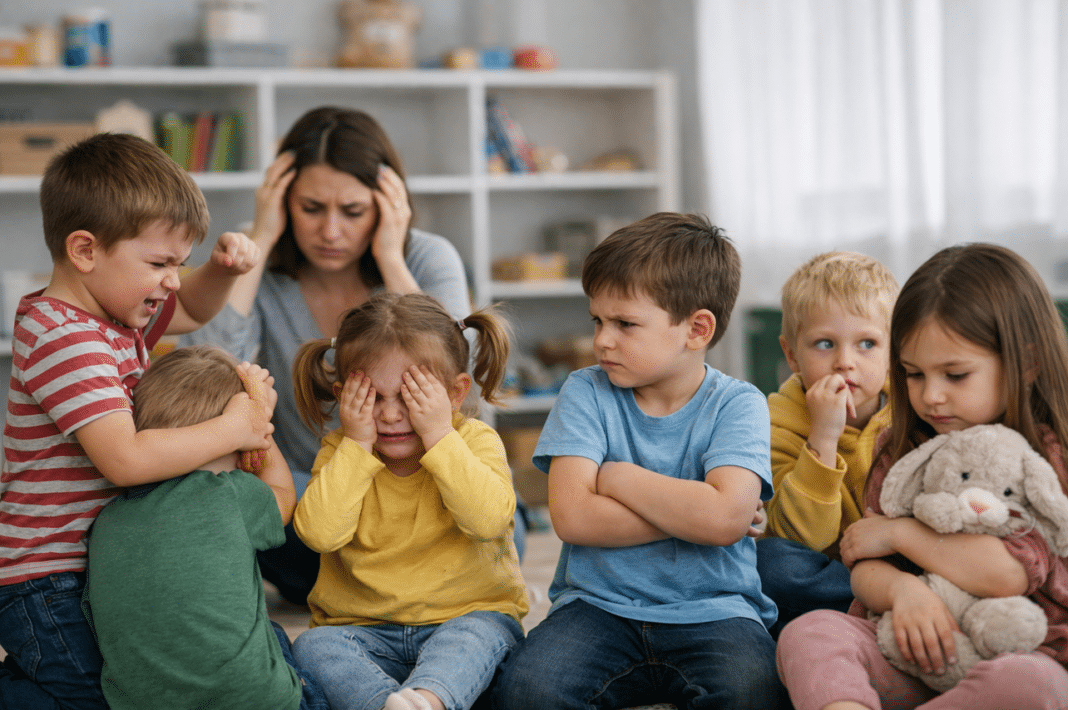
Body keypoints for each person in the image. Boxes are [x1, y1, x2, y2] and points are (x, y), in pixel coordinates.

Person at [180, 106, 528, 606]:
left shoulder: (427, 255)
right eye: (311, 208)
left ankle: (388, 589)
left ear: (387, 206)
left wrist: (390, 258)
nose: (330, 232)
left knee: (501, 530)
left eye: (353, 211)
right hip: (321, 498)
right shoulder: (259, 260)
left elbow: (464, 381)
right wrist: (261, 238)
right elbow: (204, 374)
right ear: (282, 200)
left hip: (428, 496)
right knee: (239, 500)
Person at [0, 133, 272, 708]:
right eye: (160, 263)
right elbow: (124, 460)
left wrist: (220, 270)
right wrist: (236, 428)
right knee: (100, 698)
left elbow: (192, 307)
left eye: (181, 263)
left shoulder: (114, 318)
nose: (173, 279)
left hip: (96, 566)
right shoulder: (66, 337)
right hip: (48, 577)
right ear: (85, 251)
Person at [491, 212, 789, 710]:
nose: (601, 340)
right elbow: (574, 518)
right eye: (598, 320)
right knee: (524, 691)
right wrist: (698, 513)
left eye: (625, 324)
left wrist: (618, 477)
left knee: (756, 693)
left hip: (716, 611)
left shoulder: (740, 404)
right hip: (596, 609)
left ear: (697, 329)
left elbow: (724, 520)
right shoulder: (585, 391)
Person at [776, 242, 1068, 710]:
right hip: (909, 653)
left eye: (955, 375)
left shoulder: (1047, 456)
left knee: (1034, 685)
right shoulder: (902, 444)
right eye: (913, 374)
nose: (930, 396)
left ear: (1027, 364)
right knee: (810, 633)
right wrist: (902, 589)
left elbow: (1007, 574)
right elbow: (864, 562)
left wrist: (900, 533)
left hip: (1021, 656)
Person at [288, 292, 528, 710]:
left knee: (474, 640)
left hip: (466, 616)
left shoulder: (475, 442)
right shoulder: (342, 450)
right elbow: (320, 535)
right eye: (373, 398)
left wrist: (438, 435)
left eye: (410, 396)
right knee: (313, 646)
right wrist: (357, 445)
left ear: (455, 393)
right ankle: (391, 704)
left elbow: (487, 521)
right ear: (344, 396)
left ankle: (429, 699)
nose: (390, 414)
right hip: (363, 629)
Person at [82, 345, 328, 710]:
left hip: (142, 704)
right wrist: (261, 427)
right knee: (278, 641)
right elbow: (283, 497)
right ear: (233, 438)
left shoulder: (106, 521)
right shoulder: (229, 493)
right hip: (253, 700)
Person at [757, 251, 899, 636]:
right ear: (792, 355)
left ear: (893, 351)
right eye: (824, 344)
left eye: (867, 343)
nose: (845, 362)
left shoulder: (911, 410)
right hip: (828, 574)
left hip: (896, 561)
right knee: (769, 563)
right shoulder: (775, 421)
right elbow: (802, 539)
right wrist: (823, 437)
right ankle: (877, 609)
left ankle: (892, 602)